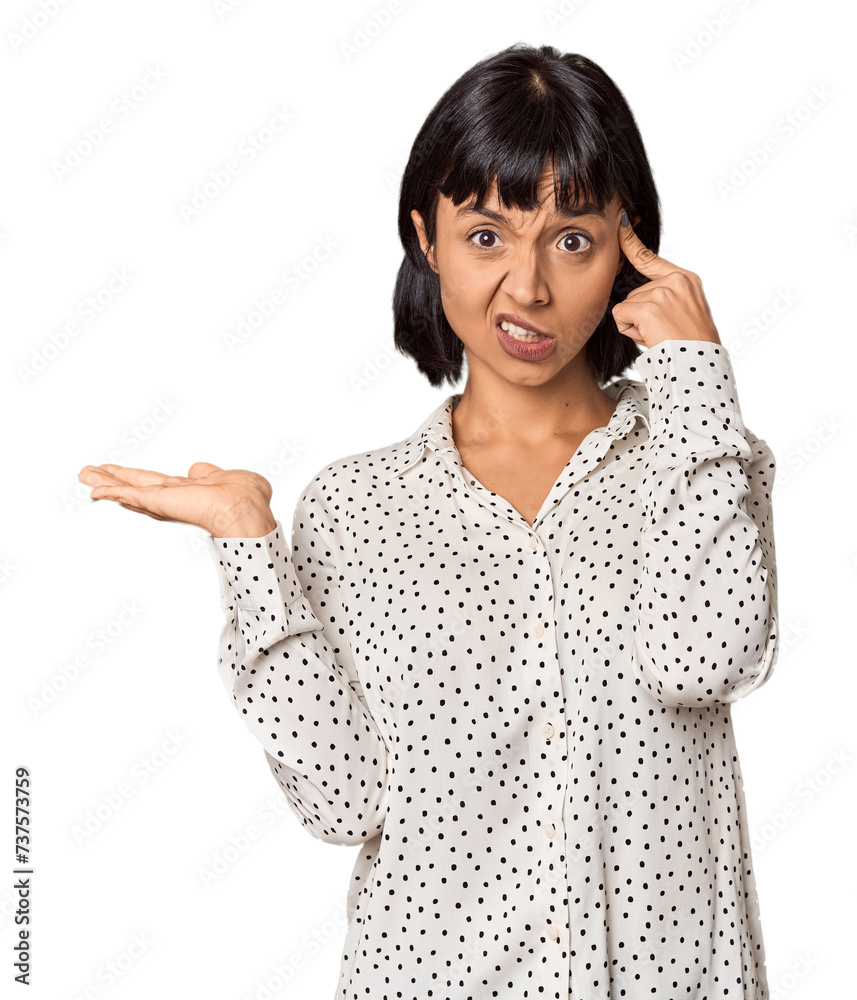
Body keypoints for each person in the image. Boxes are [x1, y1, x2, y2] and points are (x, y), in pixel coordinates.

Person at [78, 42, 779, 1000]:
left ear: (629, 241)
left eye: (571, 239)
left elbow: (707, 656)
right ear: (426, 235)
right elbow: (342, 799)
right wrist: (247, 544)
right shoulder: (357, 509)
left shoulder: (695, 453)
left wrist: (696, 377)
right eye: (486, 235)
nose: (527, 288)